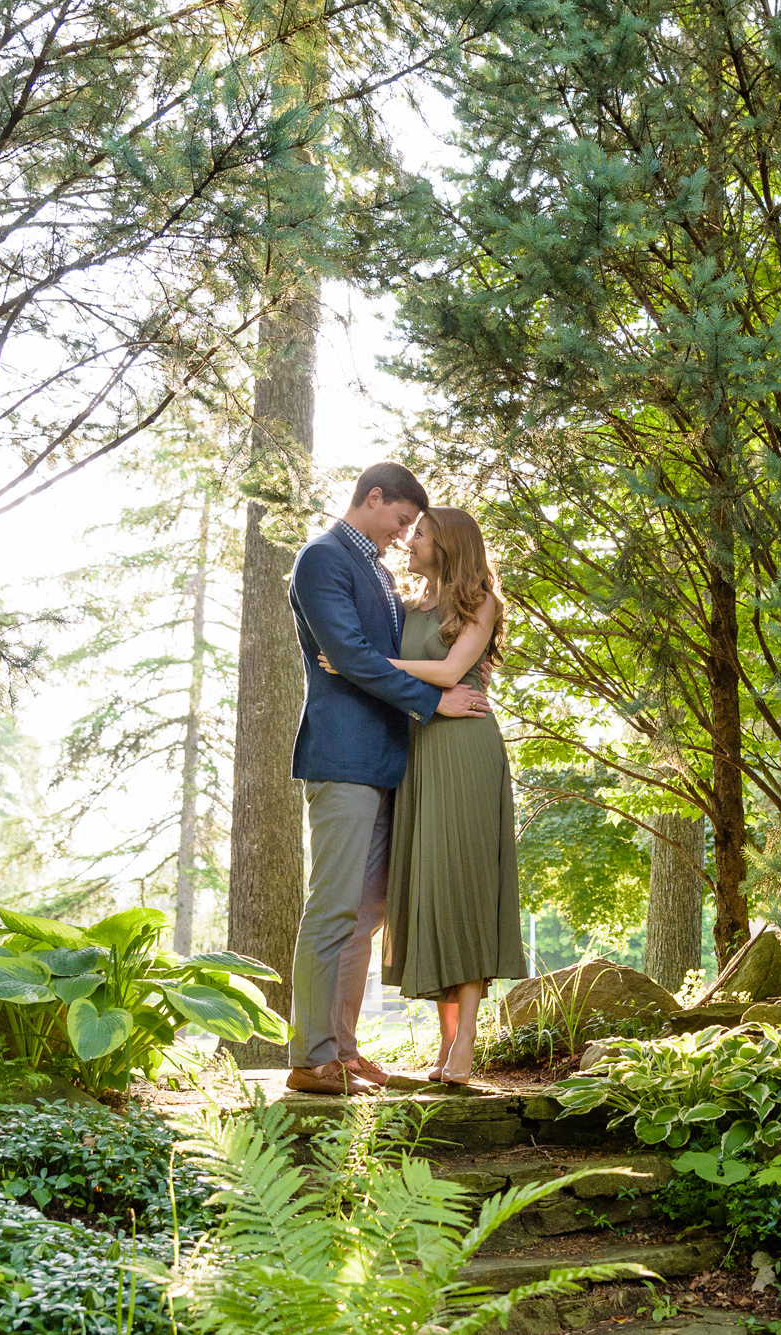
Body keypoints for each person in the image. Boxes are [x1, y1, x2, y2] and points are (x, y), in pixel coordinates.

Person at [285, 463, 489, 1096]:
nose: (405, 535)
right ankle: (310, 1056)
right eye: (402, 520)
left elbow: (404, 648)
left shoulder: (372, 565)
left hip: (387, 762)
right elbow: (346, 656)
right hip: (343, 758)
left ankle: (342, 1053)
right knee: (331, 908)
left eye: (413, 528)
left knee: (364, 915)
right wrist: (435, 702)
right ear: (373, 499)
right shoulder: (322, 558)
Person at [322, 506, 524, 1087]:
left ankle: (467, 1043)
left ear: (449, 543)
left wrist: (362, 663)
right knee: (433, 891)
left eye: (422, 532)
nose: (411, 540)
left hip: (465, 750)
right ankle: (445, 1044)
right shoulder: (408, 608)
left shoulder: (481, 602)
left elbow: (452, 670)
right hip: (418, 755)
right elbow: (411, 682)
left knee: (465, 885)